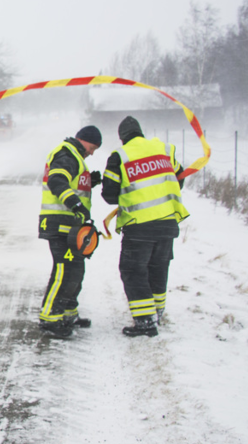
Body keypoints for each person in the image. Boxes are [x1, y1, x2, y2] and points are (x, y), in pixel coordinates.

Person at [101, 115, 189, 337]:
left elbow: (109, 195)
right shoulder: (163, 150)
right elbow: (180, 178)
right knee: (158, 268)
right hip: (167, 223)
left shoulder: (120, 156)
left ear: (122, 138)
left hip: (139, 226)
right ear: (141, 133)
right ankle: (156, 313)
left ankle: (145, 321)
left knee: (133, 270)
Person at [37, 125, 103, 337]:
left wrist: (90, 182)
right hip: (59, 224)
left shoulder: (75, 157)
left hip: (71, 226)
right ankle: (50, 318)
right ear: (83, 140)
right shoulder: (67, 155)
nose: (91, 153)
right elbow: (57, 181)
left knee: (75, 270)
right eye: (92, 147)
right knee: (64, 270)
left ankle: (68, 313)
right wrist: (75, 204)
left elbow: (70, 183)